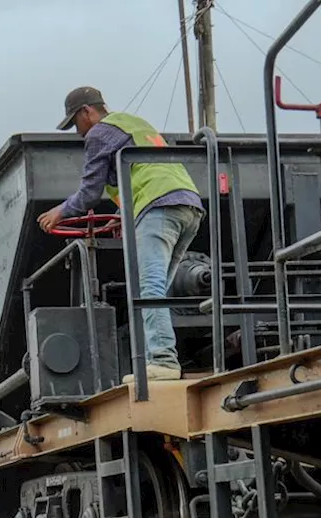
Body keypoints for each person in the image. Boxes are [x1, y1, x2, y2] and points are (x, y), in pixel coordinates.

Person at [38, 86, 205, 383]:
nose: (77, 132)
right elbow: (142, 170)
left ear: (87, 111)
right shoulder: (133, 123)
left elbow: (89, 193)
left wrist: (59, 212)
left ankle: (163, 361)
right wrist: (124, 214)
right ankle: (160, 358)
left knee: (148, 287)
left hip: (158, 207)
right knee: (159, 289)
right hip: (187, 205)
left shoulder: (99, 133)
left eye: (76, 123)